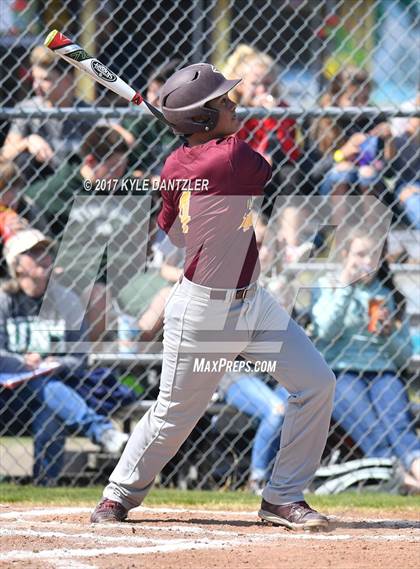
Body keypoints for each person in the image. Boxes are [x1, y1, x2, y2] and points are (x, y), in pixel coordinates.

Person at [90, 62, 335, 530]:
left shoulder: (177, 163)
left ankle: (282, 496)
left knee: (316, 382)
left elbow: (171, 230)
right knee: (173, 416)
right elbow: (261, 169)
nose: (234, 104)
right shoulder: (229, 159)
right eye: (222, 103)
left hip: (253, 301)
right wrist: (203, 155)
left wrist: (191, 153)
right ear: (200, 120)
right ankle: (117, 495)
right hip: (203, 312)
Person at [0, 229, 128, 485]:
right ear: (16, 264)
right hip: (7, 393)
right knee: (43, 385)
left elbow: (79, 356)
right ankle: (101, 431)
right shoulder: (4, 300)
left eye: (46, 251)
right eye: (33, 253)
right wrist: (23, 363)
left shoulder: (66, 300)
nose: (43, 257)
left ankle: (45, 487)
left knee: (49, 405)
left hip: (48, 392)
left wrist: (53, 364)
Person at [311, 229, 420, 493]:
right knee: (371, 429)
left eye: (373, 256)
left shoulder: (385, 293)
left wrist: (389, 333)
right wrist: (347, 287)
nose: (366, 262)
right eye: (360, 254)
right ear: (345, 255)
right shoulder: (327, 285)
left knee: (400, 426)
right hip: (341, 370)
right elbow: (325, 330)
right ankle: (400, 481)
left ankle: (414, 474)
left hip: (383, 370)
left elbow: (405, 356)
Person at [1, 45, 92, 182]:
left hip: (77, 185)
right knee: (24, 159)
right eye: (34, 79)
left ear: (67, 80)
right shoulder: (27, 109)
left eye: (45, 79)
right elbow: (4, 156)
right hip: (38, 187)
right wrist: (27, 142)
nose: (36, 86)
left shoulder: (88, 113)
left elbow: (121, 141)